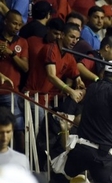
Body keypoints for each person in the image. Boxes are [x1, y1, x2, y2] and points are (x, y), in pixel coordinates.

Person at [24, 23, 85, 105]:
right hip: (32, 96)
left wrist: (80, 84)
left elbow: (76, 76)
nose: (74, 41)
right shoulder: (50, 49)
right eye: (72, 37)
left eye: (77, 39)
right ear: (62, 35)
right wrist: (71, 91)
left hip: (46, 99)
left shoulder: (69, 55)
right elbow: (51, 76)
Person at [0, 9, 29, 152]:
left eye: (19, 24)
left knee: (18, 128)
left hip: (10, 93)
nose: (17, 27)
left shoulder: (22, 42)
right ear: (6, 21)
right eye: (14, 23)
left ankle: (21, 161)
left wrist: (11, 53)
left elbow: (25, 67)